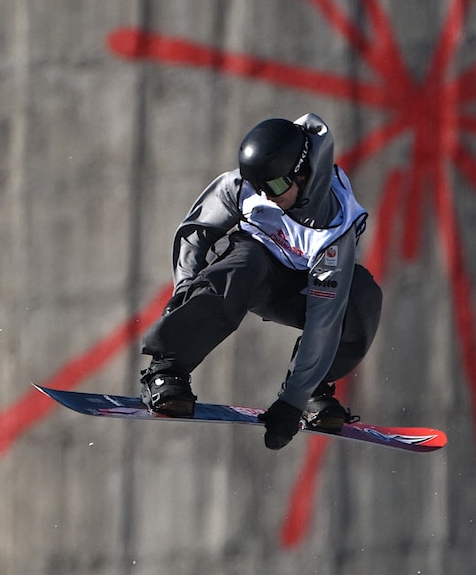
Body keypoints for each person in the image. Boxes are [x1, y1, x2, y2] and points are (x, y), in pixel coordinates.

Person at [139, 113, 383, 450]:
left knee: (362, 297)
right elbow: (196, 234)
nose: (268, 196)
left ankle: (315, 386)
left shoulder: (335, 230)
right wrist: (185, 293)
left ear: (303, 173)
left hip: (303, 289)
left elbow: (323, 322)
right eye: (261, 186)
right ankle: (168, 369)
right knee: (244, 263)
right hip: (254, 272)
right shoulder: (241, 186)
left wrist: (293, 400)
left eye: (277, 186)